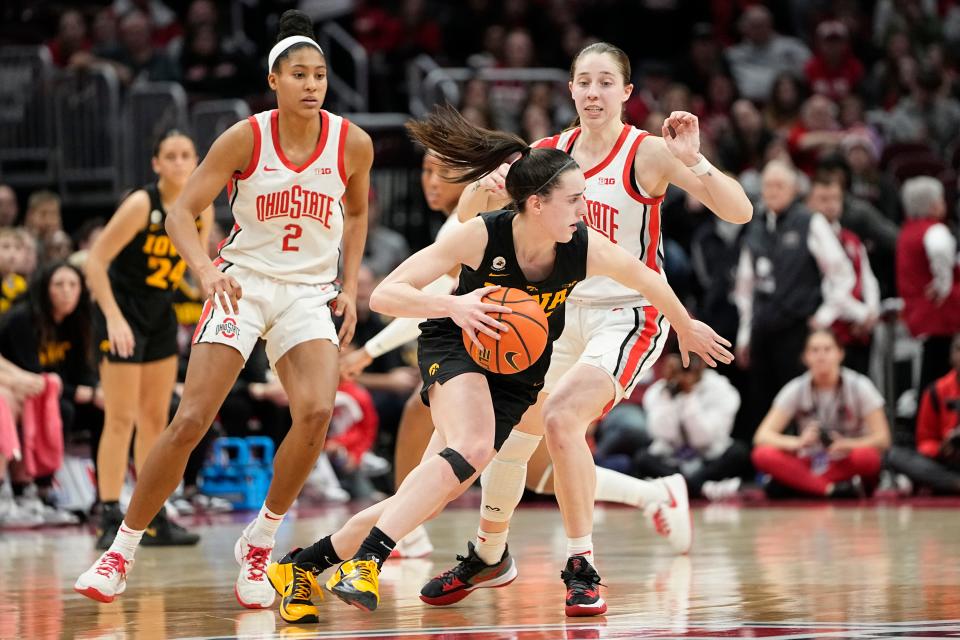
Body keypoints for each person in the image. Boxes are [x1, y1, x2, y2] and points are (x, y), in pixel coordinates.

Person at [265, 105, 732, 622]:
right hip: (458, 343)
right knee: (469, 447)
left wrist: (685, 325)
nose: (585, 209)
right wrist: (457, 306)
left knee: (433, 489)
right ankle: (369, 561)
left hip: (519, 371)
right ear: (536, 204)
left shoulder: (580, 246)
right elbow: (387, 295)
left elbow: (648, 280)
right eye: (575, 200)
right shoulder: (482, 235)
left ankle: (302, 565)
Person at [423, 41, 751, 607]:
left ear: (626, 92)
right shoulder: (547, 155)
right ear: (570, 90)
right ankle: (487, 555)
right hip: (552, 314)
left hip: (628, 312)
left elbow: (739, 210)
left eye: (605, 83)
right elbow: (475, 228)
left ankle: (582, 564)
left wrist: (694, 158)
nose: (593, 93)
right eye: (584, 82)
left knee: (561, 416)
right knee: (513, 435)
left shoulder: (647, 153)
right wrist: (484, 190)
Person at [74, 10, 374, 609]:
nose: (312, 84)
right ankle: (120, 551)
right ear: (274, 80)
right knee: (190, 421)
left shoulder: (353, 143)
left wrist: (347, 285)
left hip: (308, 290)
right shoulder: (245, 137)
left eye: (319, 75)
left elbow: (359, 213)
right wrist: (208, 271)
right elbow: (182, 213)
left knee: (316, 413)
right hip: (245, 284)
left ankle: (261, 541)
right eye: (299, 75)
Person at [84, 130, 213, 550]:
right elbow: (96, 262)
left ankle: (151, 513)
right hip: (122, 313)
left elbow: (199, 268)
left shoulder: (201, 206)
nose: (179, 163)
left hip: (160, 315)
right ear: (156, 164)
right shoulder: (142, 203)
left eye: (186, 155)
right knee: (120, 417)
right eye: (170, 157)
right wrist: (113, 317)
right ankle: (107, 512)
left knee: (156, 421)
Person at [752, 329, 891, 498]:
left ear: (840, 354)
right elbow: (762, 436)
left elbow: (883, 439)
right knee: (762, 454)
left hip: (845, 460)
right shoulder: (795, 388)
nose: (821, 356)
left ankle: (800, 486)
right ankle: (830, 490)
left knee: (869, 457)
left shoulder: (859, 386)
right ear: (805, 357)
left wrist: (847, 444)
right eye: (815, 350)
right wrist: (798, 442)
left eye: (827, 349)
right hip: (810, 460)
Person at [886, 333, 960, 494]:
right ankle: (954, 483)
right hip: (947, 461)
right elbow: (924, 440)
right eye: (959, 350)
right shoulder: (936, 390)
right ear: (951, 356)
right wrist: (942, 448)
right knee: (894, 455)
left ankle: (948, 485)